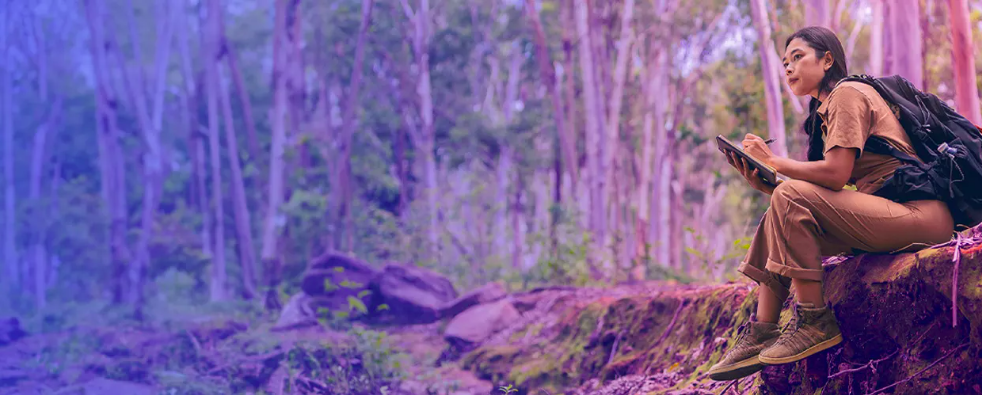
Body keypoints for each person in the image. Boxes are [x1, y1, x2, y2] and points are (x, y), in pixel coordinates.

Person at [707, 26, 956, 381]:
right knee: (778, 208)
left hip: (921, 214)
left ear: (827, 60)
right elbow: (816, 196)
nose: (789, 68)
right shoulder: (823, 112)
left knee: (789, 195)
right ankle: (761, 330)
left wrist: (774, 160)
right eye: (785, 62)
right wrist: (768, 182)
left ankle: (814, 320)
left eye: (798, 57)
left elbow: (837, 174)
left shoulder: (848, 94)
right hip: (885, 213)